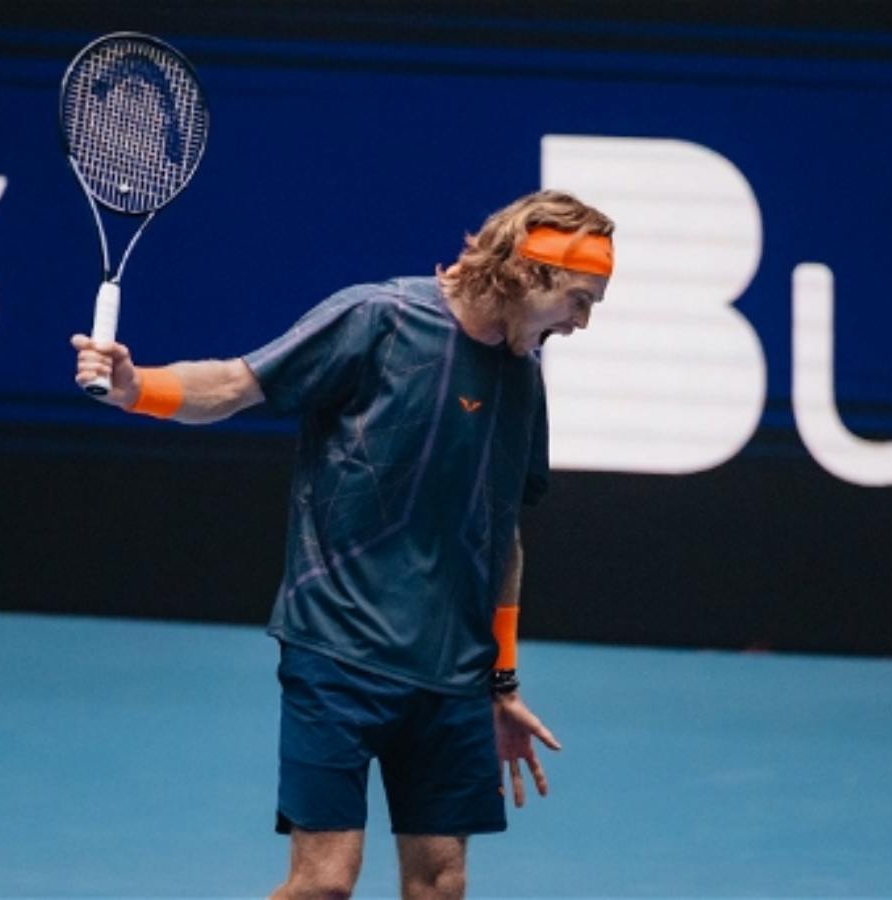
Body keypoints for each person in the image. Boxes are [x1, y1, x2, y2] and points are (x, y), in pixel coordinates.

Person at [72, 189, 614, 899]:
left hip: (451, 675)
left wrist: (501, 681)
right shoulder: (377, 319)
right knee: (324, 883)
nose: (581, 323)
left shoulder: (524, 375)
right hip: (339, 653)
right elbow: (237, 384)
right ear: (528, 274)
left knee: (440, 884)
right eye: (580, 299)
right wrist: (136, 388)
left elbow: (502, 532)